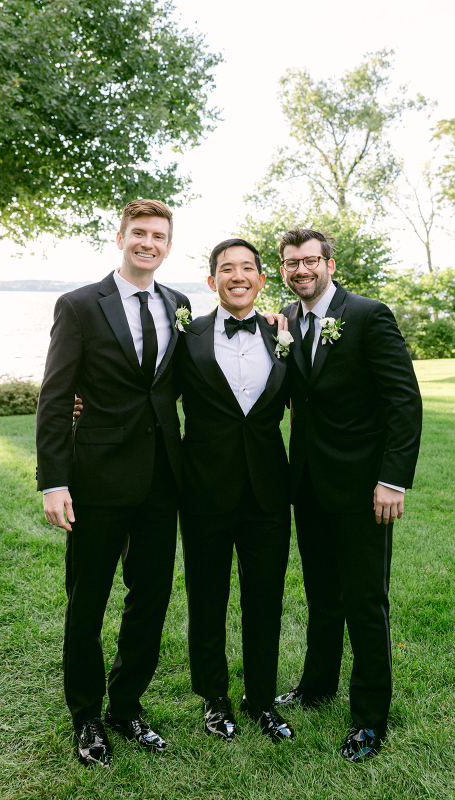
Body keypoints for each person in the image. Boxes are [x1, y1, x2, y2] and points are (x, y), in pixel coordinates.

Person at [36, 199, 190, 767]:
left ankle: (127, 707)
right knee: (88, 601)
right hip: (96, 477)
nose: (148, 243)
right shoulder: (79, 305)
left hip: (161, 479)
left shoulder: (179, 304)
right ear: (120, 237)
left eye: (159, 236)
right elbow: (54, 397)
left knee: (150, 599)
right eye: (139, 233)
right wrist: (53, 482)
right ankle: (87, 717)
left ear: (169, 246)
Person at [273, 228, 422, 762]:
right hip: (308, 484)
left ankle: (369, 718)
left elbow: (404, 402)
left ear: (329, 264)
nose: (301, 270)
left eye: (310, 260)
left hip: (364, 488)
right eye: (291, 263)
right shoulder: (286, 323)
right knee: (321, 596)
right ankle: (317, 686)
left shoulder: (368, 315)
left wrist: (393, 478)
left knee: (365, 600)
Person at [176, 239, 295, 743]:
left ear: (262, 280)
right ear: (212, 282)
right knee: (207, 598)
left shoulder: (283, 336)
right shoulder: (188, 338)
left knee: (266, 598)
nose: (238, 276)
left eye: (248, 268)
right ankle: (215, 698)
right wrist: (81, 404)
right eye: (227, 269)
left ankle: (262, 700)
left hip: (268, 490)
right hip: (203, 489)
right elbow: (149, 395)